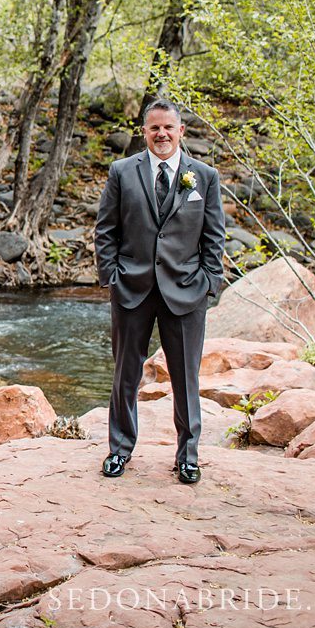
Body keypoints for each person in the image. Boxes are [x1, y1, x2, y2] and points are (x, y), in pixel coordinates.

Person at [92, 98, 227, 484]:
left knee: (185, 378)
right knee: (126, 374)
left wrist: (207, 284)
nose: (161, 134)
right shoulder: (122, 172)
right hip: (131, 288)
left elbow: (214, 237)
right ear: (145, 132)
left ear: (181, 131)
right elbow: (106, 230)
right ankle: (119, 450)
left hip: (186, 291)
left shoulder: (204, 176)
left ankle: (188, 456)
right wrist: (112, 278)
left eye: (168, 127)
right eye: (154, 128)